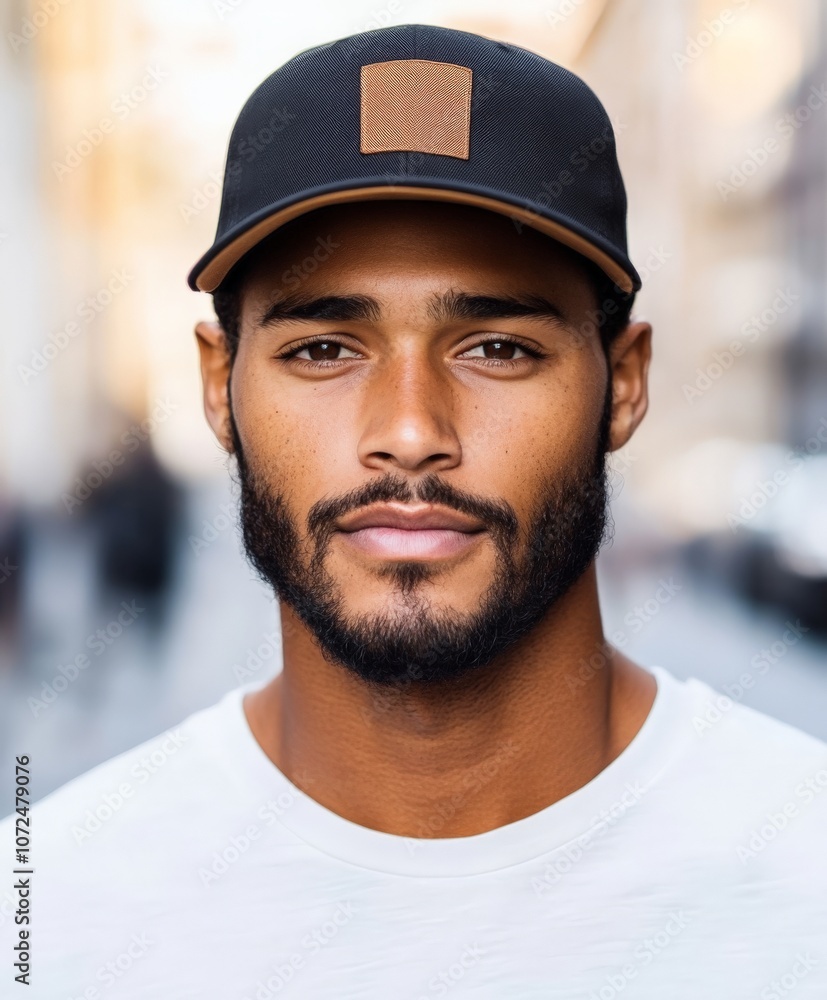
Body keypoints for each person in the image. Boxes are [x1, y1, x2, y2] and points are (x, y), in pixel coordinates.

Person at [4, 23, 826, 999]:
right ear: (220, 388)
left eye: (496, 348)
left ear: (624, 385)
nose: (406, 430)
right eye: (323, 351)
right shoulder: (52, 912)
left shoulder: (799, 869)